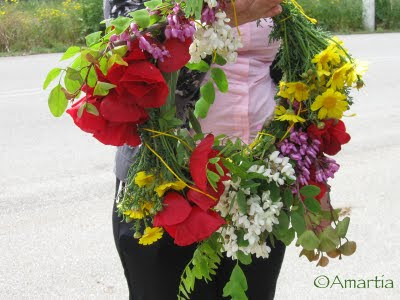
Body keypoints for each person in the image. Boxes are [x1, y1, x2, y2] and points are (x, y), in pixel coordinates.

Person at [105, 1, 286, 299]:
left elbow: (288, 67)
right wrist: (224, 18)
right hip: (164, 179)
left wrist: (309, 170)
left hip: (256, 181)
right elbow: (125, 40)